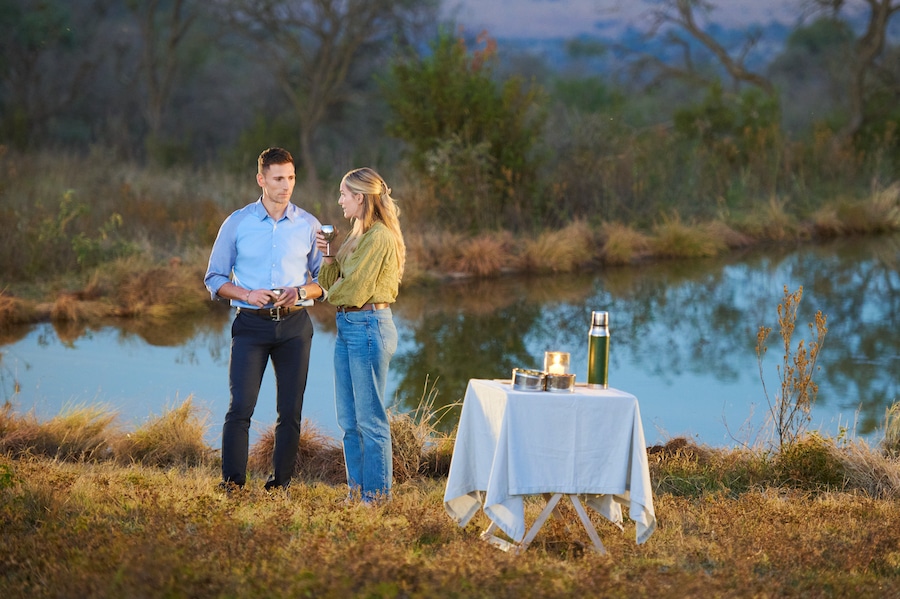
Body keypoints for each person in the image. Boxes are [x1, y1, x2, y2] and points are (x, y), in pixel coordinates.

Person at [204, 147, 325, 491]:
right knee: (240, 407)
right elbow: (213, 278)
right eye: (278, 179)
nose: (286, 186)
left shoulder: (308, 225)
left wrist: (300, 293)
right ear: (261, 180)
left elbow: (325, 283)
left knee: (290, 412)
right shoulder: (237, 223)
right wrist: (246, 294)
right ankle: (233, 485)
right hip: (250, 326)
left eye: (291, 178)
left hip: (295, 327)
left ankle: (280, 486)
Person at [316, 167, 405, 504]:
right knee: (349, 420)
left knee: (371, 421)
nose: (339, 201)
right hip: (349, 327)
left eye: (343, 194)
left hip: (369, 327)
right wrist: (328, 251)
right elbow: (332, 280)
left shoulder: (380, 236)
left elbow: (352, 289)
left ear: (360, 197)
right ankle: (357, 493)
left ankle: (377, 498)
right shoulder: (358, 235)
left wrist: (308, 296)